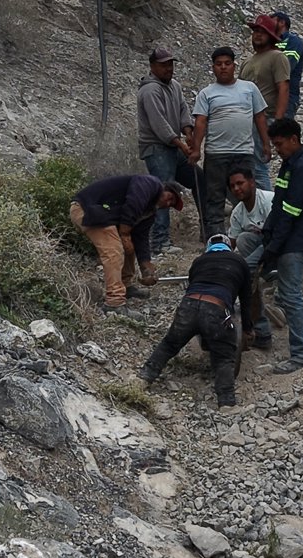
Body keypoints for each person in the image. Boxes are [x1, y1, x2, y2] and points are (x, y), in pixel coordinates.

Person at [137, 234, 253, 409]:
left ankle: (143, 378)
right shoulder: (240, 262)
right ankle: (227, 403)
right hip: (217, 308)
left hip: (188, 305)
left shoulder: (199, 261)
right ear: (228, 247)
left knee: (169, 344)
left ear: (208, 248)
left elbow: (192, 284)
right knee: (224, 356)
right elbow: (246, 300)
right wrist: (248, 329)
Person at [261, 118, 303, 374]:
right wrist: (266, 232)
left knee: (291, 296)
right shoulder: (289, 165)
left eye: (279, 144)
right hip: (287, 240)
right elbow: (278, 205)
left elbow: (290, 213)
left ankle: (301, 354)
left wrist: (273, 248)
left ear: (294, 140)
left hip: (297, 244)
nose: (277, 150)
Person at [69, 175, 184, 311]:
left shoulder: (149, 212)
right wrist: (124, 234)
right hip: (88, 209)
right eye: (170, 198)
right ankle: (114, 301)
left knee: (130, 246)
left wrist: (146, 267)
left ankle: (125, 285)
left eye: (171, 204)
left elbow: (141, 238)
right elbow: (133, 203)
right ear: (164, 189)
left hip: (103, 213)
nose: (168, 203)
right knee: (114, 251)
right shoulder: (150, 183)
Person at [191, 47, 271, 239]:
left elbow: (259, 117)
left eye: (227, 63)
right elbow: (200, 121)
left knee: (245, 194)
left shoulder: (249, 89)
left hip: (243, 152)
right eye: (219, 64)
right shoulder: (206, 93)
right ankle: (215, 239)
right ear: (213, 68)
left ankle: (247, 234)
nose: (223, 68)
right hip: (216, 153)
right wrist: (196, 149)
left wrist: (266, 144)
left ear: (234, 65)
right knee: (215, 197)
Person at [136, 47, 205, 254]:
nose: (169, 68)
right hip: (157, 147)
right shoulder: (149, 90)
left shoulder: (174, 85)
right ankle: (160, 242)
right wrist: (183, 144)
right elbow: (159, 125)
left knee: (199, 179)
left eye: (170, 64)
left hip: (172, 145)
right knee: (163, 192)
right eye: (164, 64)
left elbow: (183, 109)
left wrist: (188, 132)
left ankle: (207, 226)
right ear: (152, 66)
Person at [239, 14, 290, 190]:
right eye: (255, 31)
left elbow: (283, 88)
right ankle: (252, 207)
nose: (258, 35)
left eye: (263, 32)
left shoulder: (277, 57)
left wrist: (278, 121)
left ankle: (267, 210)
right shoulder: (247, 61)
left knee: (259, 167)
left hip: (265, 118)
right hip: (244, 120)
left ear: (270, 35)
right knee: (243, 166)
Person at [227, 166, 274, 266]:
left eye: (240, 183)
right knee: (243, 238)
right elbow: (232, 243)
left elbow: (277, 235)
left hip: (278, 243)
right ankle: (263, 269)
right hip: (263, 244)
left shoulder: (268, 201)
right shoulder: (237, 213)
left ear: (252, 182)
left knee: (245, 268)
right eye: (232, 186)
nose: (236, 189)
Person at [272, 10, 303, 121]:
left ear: (282, 22)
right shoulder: (270, 42)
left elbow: (286, 67)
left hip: (287, 98)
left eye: (272, 21)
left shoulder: (293, 41)